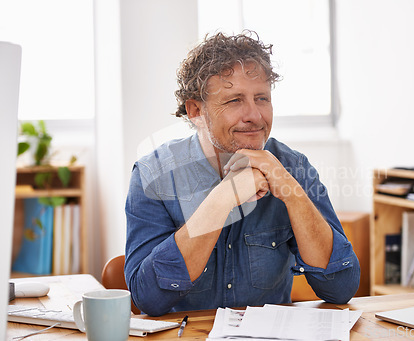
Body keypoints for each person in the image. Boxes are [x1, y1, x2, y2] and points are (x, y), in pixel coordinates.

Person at [125, 31, 360, 316]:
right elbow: (147, 298)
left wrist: (290, 190)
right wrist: (220, 200)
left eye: (261, 98)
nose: (255, 115)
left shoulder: (294, 168)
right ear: (196, 110)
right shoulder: (153, 175)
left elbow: (341, 289)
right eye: (235, 100)